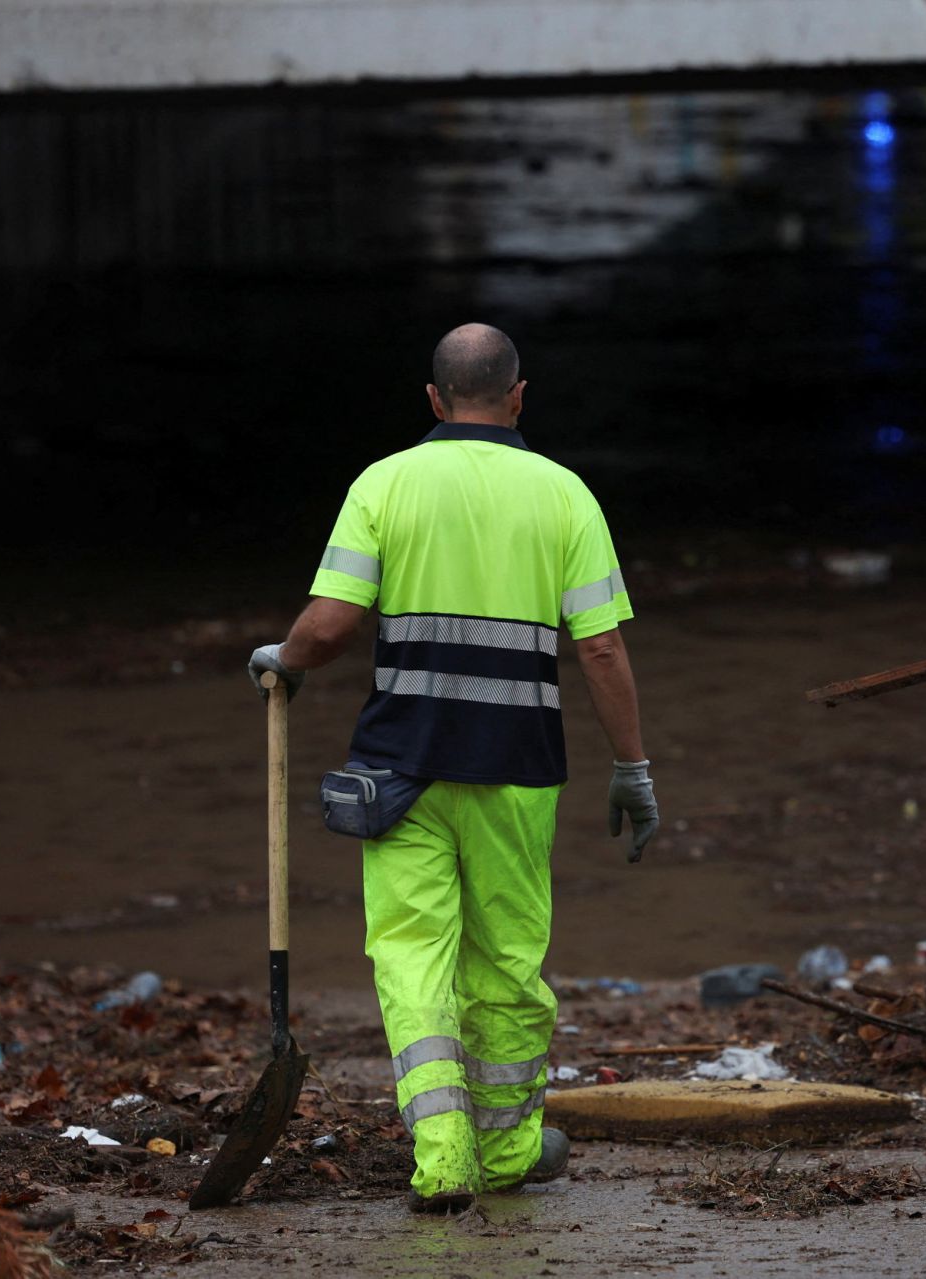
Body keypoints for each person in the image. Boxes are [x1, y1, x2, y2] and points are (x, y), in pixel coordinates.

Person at [245, 322, 659, 1213]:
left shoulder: (383, 483)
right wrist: (633, 767)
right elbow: (601, 651)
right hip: (517, 771)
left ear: (433, 399)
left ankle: (442, 1158)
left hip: (403, 770)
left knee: (411, 956)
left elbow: (328, 625)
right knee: (509, 962)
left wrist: (281, 656)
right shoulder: (565, 494)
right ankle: (509, 1150)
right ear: (518, 396)